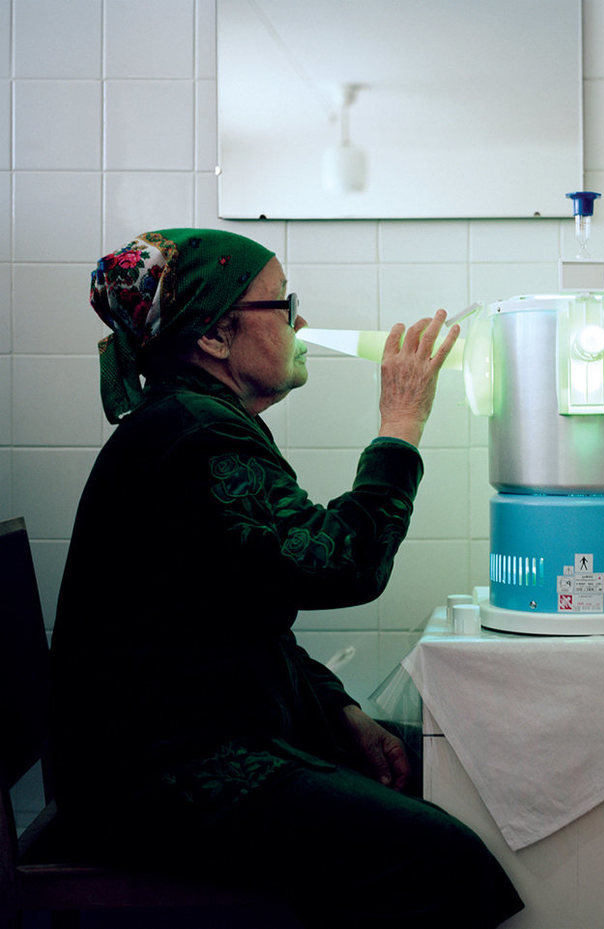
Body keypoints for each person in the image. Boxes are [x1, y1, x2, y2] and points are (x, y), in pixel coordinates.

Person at [49, 228, 523, 928]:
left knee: (445, 770)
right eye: (282, 302)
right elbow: (342, 563)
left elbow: (246, 609)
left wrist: (338, 711)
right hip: (159, 781)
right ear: (215, 335)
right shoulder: (195, 434)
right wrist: (399, 423)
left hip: (176, 752)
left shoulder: (192, 421)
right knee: (440, 857)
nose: (299, 321)